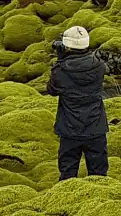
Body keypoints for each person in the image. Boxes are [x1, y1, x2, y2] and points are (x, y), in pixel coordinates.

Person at [46, 25, 109, 181]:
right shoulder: (100, 66)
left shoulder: (60, 71)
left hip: (69, 128)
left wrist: (61, 59)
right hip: (96, 126)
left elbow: (52, 90)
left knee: (68, 173)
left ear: (67, 46)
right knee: (99, 174)